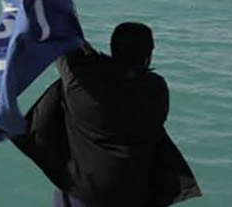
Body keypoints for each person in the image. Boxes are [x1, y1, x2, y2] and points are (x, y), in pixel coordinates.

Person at [13, 16, 200, 206]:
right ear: (148, 56)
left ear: (112, 49)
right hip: (133, 195)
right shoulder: (156, 90)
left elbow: (61, 36)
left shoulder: (82, 82)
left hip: (80, 193)